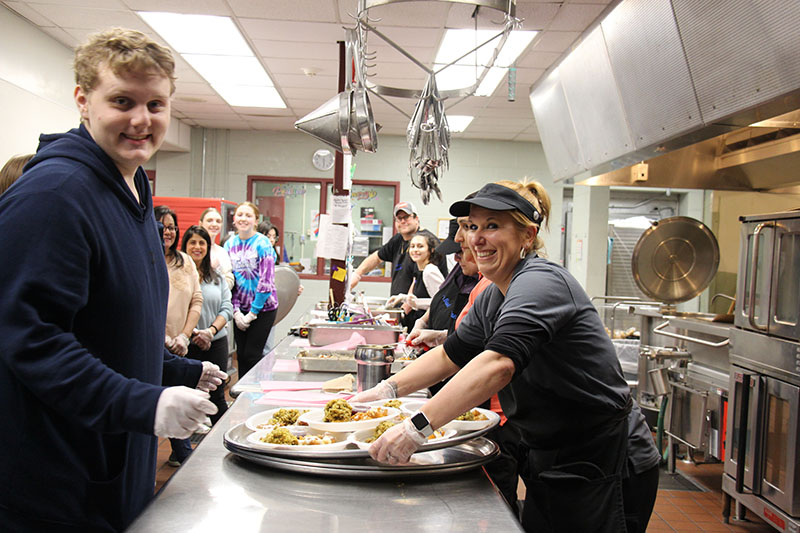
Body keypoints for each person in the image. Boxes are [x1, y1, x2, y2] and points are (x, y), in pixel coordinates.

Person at [0, 28, 226, 531]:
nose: (141, 120)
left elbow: (111, 322)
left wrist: (174, 371)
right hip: (55, 483)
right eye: (122, 101)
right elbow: (31, 339)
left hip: (116, 467)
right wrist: (144, 402)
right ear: (83, 100)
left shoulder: (133, 185)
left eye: (156, 104)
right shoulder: (55, 195)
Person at [354, 180, 633, 532]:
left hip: (599, 452)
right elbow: (450, 355)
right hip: (551, 447)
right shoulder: (494, 295)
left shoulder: (539, 283)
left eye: (492, 226)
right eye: (471, 226)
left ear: (527, 237)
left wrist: (416, 428)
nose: (475, 238)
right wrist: (386, 391)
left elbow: (498, 365)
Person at [156, 205, 203, 467]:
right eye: (163, 225)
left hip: (179, 346)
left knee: (178, 406)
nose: (168, 231)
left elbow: (196, 300)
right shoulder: (144, 258)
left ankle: (183, 457)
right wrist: (161, 337)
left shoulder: (184, 262)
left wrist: (184, 336)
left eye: (172, 226)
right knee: (154, 409)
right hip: (152, 346)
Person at [182, 225, 233, 424]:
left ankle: (222, 445)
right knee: (186, 396)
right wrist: (193, 333)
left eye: (202, 243)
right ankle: (182, 451)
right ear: (185, 245)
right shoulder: (177, 275)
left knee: (217, 396)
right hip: (185, 343)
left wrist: (210, 332)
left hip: (215, 342)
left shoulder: (217, 277)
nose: (197, 247)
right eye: (192, 242)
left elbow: (226, 308)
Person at [225, 201, 278, 378]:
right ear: (234, 219)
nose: (243, 219)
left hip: (263, 308)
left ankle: (254, 397)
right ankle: (242, 397)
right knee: (241, 356)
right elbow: (230, 279)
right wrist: (236, 311)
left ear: (256, 220)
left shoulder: (262, 243)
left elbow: (266, 281)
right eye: (240, 215)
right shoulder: (230, 244)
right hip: (240, 308)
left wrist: (252, 313)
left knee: (252, 355)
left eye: (248, 215)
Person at [350, 201, 445, 295]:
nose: (403, 221)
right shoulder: (398, 239)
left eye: (406, 217)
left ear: (416, 219)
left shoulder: (427, 242)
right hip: (402, 304)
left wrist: (406, 306)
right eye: (399, 218)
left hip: (420, 307)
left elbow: (417, 281)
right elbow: (377, 257)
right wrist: (357, 274)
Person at [392, 231, 444, 330]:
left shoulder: (430, 271)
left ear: (431, 250)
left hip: (429, 327)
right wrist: (404, 298)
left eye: (420, 246)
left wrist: (415, 302)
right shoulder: (419, 269)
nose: (415, 250)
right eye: (412, 246)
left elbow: (441, 302)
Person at [199, 206, 234, 290]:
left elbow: (229, 280)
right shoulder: (193, 249)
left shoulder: (222, 252)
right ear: (200, 223)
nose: (214, 224)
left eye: (218, 221)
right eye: (209, 220)